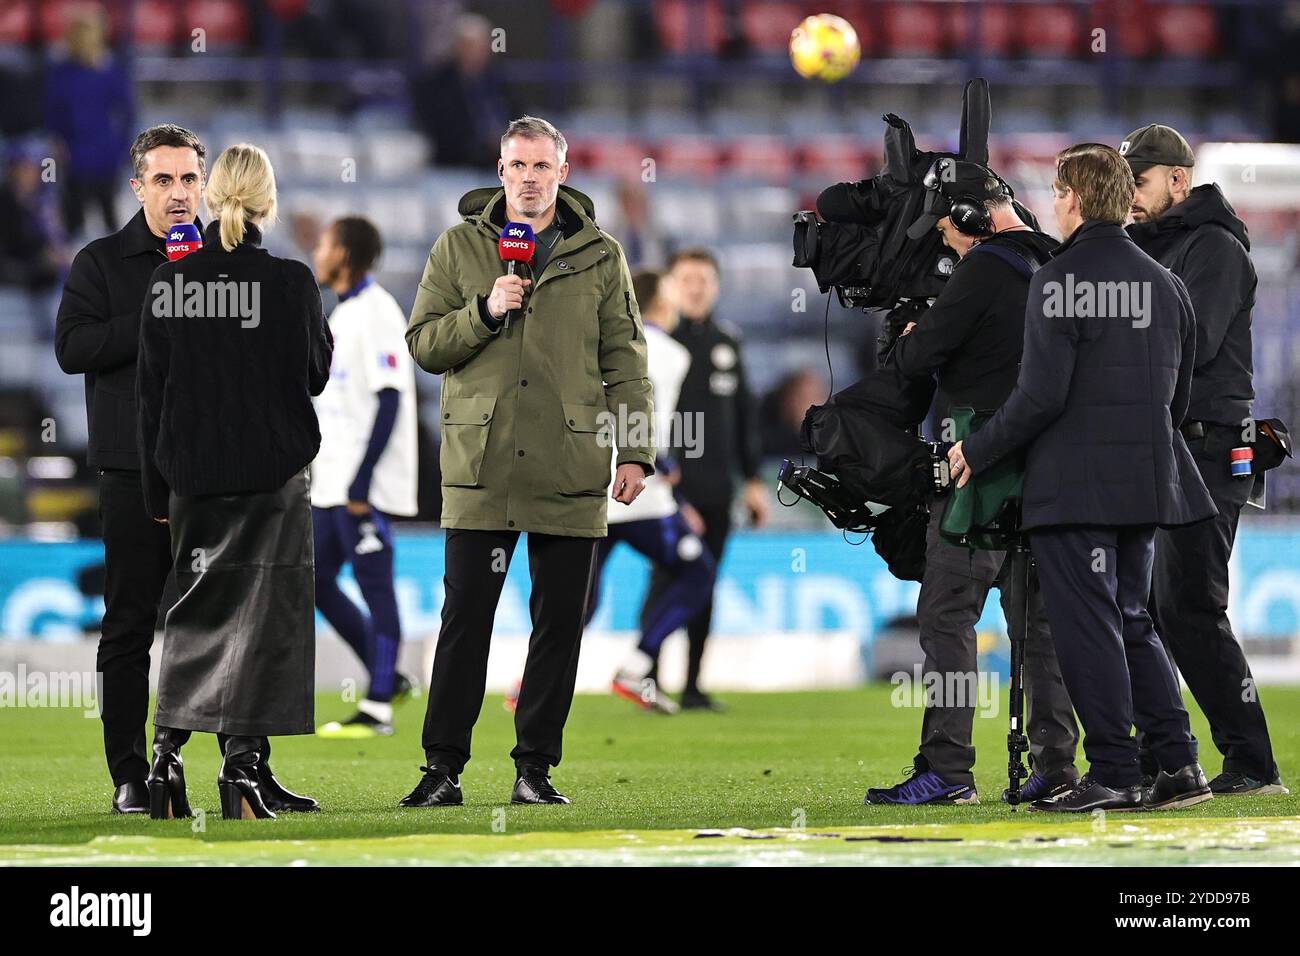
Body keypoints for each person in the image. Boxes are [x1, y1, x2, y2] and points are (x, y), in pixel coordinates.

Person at [948, 143, 1217, 813]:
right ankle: (1179, 764)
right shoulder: (1168, 284)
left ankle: (1117, 772)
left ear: (1069, 197)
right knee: (1132, 619)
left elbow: (1040, 398)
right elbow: (1179, 404)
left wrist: (975, 450)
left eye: (1059, 191)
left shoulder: (1058, 280)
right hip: (1148, 478)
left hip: (1074, 485)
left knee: (1089, 627)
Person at [399, 116, 654, 808]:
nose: (530, 179)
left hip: (568, 465)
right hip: (481, 464)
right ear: (501, 169)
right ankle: (442, 768)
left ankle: (535, 769)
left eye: (543, 167)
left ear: (562, 173)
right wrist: (484, 310)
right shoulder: (458, 248)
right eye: (518, 166)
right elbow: (423, 344)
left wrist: (635, 450)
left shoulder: (600, 254)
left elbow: (626, 362)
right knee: (465, 623)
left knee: (558, 627)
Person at [866, 159, 1078, 806]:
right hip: (1048, 464)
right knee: (1039, 622)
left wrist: (906, 330)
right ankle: (1056, 767)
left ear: (970, 216)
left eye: (949, 232)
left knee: (948, 612)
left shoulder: (983, 267)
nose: (945, 245)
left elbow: (914, 359)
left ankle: (949, 770)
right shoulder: (1054, 258)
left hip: (978, 463)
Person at [137, 143, 333, 820]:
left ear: (211, 196)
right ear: (266, 203)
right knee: (264, 626)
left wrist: (154, 494)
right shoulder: (291, 283)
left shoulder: (171, 284)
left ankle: (164, 765)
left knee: (194, 615)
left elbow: (150, 398)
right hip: (272, 478)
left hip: (190, 478)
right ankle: (241, 775)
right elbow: (315, 373)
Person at [1123, 124, 1287, 796]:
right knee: (1159, 607)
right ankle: (1164, 753)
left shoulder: (1214, 247)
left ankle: (1251, 762)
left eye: (1139, 181)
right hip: (1172, 443)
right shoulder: (1158, 246)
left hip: (1211, 447)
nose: (1130, 195)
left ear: (1177, 180)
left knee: (1189, 606)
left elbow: (1189, 342)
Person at [54, 124, 206, 814]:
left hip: (216, 473)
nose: (179, 193)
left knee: (230, 624)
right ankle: (129, 775)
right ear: (138, 185)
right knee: (129, 627)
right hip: (133, 473)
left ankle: (242, 769)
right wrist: (157, 305)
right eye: (165, 180)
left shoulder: (228, 259)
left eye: (189, 179)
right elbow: (73, 348)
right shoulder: (102, 262)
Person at [639, 248, 769, 711]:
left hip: (717, 485)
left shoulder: (726, 342)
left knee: (704, 581)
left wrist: (752, 480)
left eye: (704, 280)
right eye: (686, 279)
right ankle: (646, 676)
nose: (695, 288)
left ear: (715, 286)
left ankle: (693, 683)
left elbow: (743, 416)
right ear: (670, 286)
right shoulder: (653, 343)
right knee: (666, 578)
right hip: (670, 483)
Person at [310, 216, 420, 739]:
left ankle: (378, 705)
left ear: (346, 254)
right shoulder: (345, 312)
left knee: (376, 588)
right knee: (312, 578)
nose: (317, 251)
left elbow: (391, 396)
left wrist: (362, 483)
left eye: (325, 243)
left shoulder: (378, 312)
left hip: (359, 486)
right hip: (330, 481)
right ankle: (389, 676)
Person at [589, 268, 715, 714]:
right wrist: (663, 464)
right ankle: (637, 666)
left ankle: (529, 681)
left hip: (589, 488)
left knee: (578, 597)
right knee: (697, 571)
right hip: (639, 491)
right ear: (660, 303)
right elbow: (640, 414)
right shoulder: (670, 353)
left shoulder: (596, 339)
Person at [45, 6, 135, 236]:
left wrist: (123, 147)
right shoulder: (62, 71)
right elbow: (53, 111)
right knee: (73, 222)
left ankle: (116, 266)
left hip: (105, 156)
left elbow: (127, 112)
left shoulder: (111, 71)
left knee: (109, 220)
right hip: (74, 157)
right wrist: (58, 142)